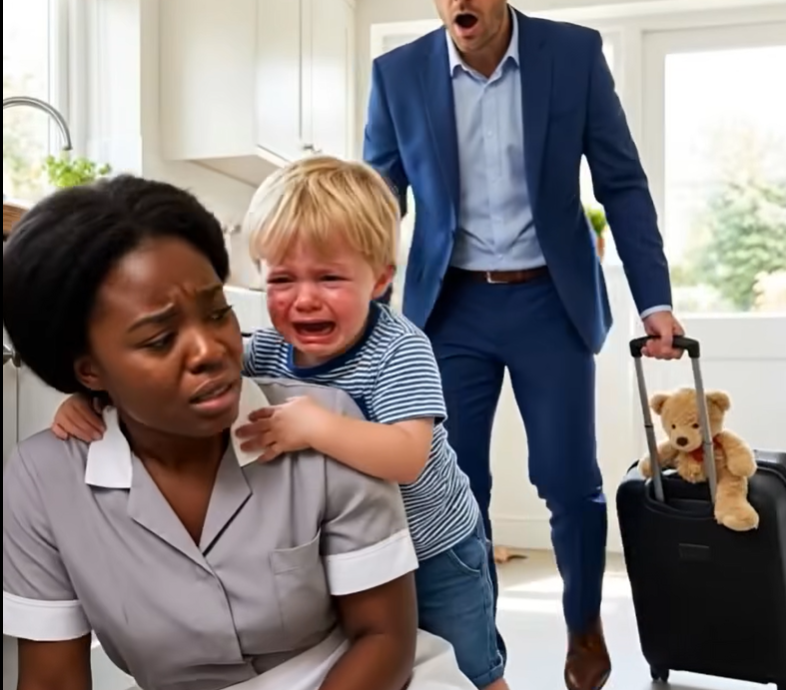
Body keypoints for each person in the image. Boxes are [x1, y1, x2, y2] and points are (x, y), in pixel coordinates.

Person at [49, 158, 508, 690]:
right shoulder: (267, 349)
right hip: (347, 550)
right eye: (283, 279)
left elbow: (408, 457)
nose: (305, 298)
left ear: (380, 279)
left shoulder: (399, 349)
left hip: (434, 548)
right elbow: (189, 387)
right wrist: (96, 399)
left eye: (330, 278)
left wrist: (316, 427)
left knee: (471, 668)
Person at [362, 1, 686, 688]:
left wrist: (654, 301)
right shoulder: (397, 74)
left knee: (569, 481)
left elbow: (622, 182)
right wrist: (359, 307)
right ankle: (478, 649)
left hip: (550, 299)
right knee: (454, 486)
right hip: (450, 308)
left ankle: (584, 622)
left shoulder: (572, 55)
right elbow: (375, 202)